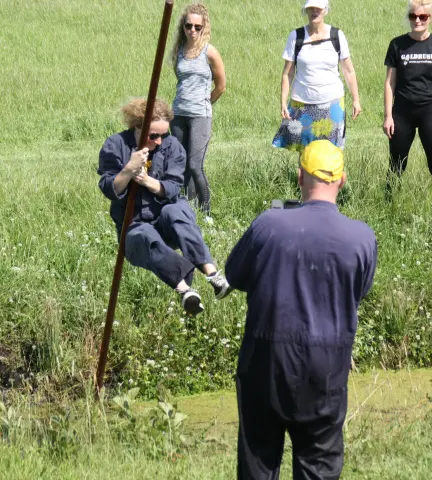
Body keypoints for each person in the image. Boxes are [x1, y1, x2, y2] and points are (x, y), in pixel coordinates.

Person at [225, 140, 377, 479]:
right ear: (342, 180)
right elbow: (358, 292)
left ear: (299, 177)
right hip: (326, 367)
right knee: (318, 463)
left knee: (259, 461)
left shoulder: (268, 224)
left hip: (265, 362)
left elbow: (235, 274)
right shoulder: (361, 238)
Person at [97, 98, 231, 316]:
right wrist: (129, 170)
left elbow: (173, 187)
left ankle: (212, 275)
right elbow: (109, 189)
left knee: (176, 210)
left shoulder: (172, 146)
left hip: (166, 220)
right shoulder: (115, 145)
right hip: (136, 224)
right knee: (143, 234)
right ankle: (185, 291)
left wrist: (147, 181)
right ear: (136, 127)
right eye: (153, 135)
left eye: (163, 135)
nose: (158, 141)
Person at [383, 0, 432, 206]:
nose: (418, 21)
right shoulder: (397, 44)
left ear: (430, 18)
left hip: (431, 111)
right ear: (408, 18)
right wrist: (388, 116)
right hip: (402, 112)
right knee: (396, 165)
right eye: (413, 16)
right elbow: (390, 83)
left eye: (423, 17)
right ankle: (389, 208)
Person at [273, 0, 361, 152]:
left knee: (332, 152)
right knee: (305, 151)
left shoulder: (337, 36)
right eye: (311, 8)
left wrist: (356, 100)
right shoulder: (296, 36)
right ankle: (303, 177)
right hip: (302, 104)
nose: (314, 11)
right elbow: (287, 73)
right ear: (306, 11)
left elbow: (349, 71)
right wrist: (283, 102)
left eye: (318, 9)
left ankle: (331, 177)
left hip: (332, 103)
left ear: (325, 10)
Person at [170, 3, 226, 221]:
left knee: (195, 165)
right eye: (188, 26)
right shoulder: (179, 51)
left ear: (204, 28)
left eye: (197, 27)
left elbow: (221, 85)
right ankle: (188, 213)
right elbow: (181, 79)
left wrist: (206, 102)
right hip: (178, 114)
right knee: (182, 165)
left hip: (200, 115)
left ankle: (207, 215)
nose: (192, 30)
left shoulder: (209, 52)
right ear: (182, 27)